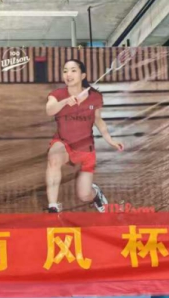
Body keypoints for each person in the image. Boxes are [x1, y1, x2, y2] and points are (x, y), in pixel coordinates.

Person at [44, 58, 124, 213]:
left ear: (83, 75)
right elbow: (49, 110)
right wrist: (65, 102)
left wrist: (110, 139)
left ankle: (96, 195)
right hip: (63, 143)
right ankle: (53, 206)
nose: (68, 74)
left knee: (84, 195)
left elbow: (98, 120)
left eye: (73, 70)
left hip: (85, 149)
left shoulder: (95, 96)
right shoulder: (57, 95)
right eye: (65, 71)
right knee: (53, 158)